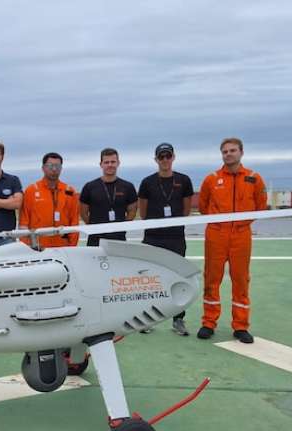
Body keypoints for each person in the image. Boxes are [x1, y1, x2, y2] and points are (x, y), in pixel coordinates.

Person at [197, 137, 267, 344]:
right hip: (216, 235)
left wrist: (241, 224)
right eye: (225, 151)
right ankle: (209, 322)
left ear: (241, 152)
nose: (229, 154)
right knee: (211, 278)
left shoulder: (254, 178)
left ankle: (241, 326)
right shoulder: (211, 179)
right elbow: (203, 206)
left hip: (241, 235)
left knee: (241, 279)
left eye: (232, 150)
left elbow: (260, 207)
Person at [138, 143, 194, 336]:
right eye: (161, 157)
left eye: (168, 156)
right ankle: (147, 320)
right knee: (151, 280)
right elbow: (143, 212)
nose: (165, 160)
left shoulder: (184, 180)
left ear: (173, 157)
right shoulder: (147, 182)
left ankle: (178, 319)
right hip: (153, 237)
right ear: (156, 159)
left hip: (176, 237)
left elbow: (186, 210)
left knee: (178, 278)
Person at [19, 152, 79, 249]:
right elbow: (23, 221)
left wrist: (72, 247)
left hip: (63, 246)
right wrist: (26, 246)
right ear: (43, 168)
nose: (54, 169)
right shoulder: (31, 190)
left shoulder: (69, 191)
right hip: (38, 246)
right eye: (50, 166)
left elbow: (74, 221)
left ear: (61, 168)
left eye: (57, 166)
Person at [80, 148, 138, 246]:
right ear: (101, 164)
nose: (110, 165)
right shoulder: (90, 187)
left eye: (113, 162)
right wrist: (94, 227)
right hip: (95, 239)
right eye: (106, 162)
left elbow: (132, 211)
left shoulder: (128, 186)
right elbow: (83, 212)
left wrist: (122, 226)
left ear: (118, 163)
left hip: (119, 239)